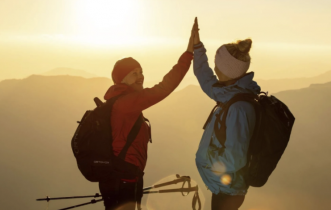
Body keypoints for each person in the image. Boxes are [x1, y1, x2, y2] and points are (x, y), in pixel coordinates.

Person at [99, 19, 198, 210]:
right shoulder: (126, 103)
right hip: (125, 177)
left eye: (141, 72)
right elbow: (164, 88)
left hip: (120, 177)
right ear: (122, 79)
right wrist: (188, 55)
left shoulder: (120, 101)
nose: (141, 76)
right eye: (134, 73)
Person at [192, 18, 261, 210]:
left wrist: (207, 162)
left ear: (227, 71)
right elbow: (206, 80)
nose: (214, 69)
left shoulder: (238, 108)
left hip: (229, 189)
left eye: (217, 66)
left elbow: (235, 158)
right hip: (223, 185)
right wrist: (197, 47)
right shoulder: (230, 93)